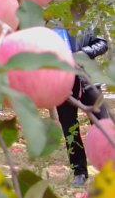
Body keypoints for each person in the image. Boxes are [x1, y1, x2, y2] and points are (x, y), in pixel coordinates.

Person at [53, 26, 109, 186]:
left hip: (89, 81)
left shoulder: (83, 23)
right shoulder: (47, 27)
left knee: (103, 125)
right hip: (61, 84)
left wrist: (83, 54)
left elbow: (102, 43)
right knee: (70, 128)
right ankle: (79, 172)